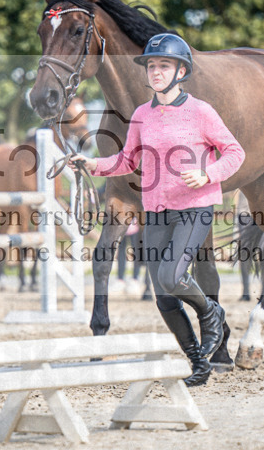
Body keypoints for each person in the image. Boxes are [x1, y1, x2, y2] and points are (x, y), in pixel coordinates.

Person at [69, 32, 245, 386]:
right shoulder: (141, 115)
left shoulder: (201, 111)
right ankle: (198, 364)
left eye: (164, 65)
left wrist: (207, 174)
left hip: (195, 207)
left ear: (181, 71)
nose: (156, 72)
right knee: (163, 297)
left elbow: (234, 152)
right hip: (157, 211)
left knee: (171, 276)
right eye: (151, 66)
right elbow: (127, 160)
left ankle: (211, 311)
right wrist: (92, 164)